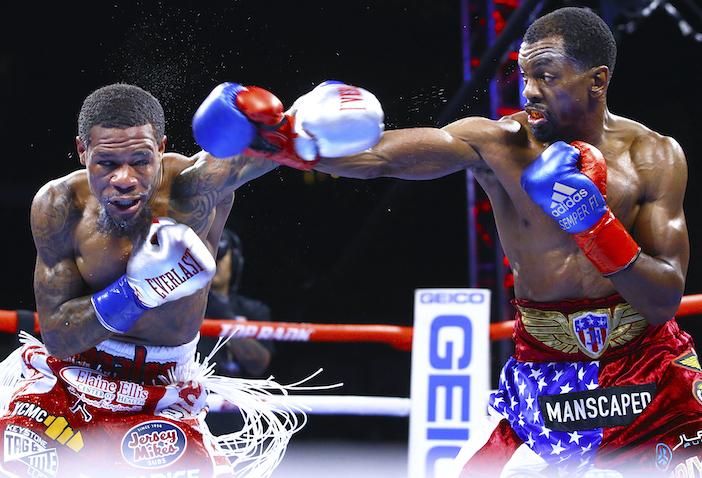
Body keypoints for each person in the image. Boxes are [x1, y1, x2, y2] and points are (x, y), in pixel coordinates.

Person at [309, 7, 696, 477]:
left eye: (547, 76)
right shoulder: (496, 143)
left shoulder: (653, 155)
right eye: (525, 73)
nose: (529, 89)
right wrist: (289, 141)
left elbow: (664, 299)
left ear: (597, 81)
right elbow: (379, 157)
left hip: (647, 379)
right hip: (542, 379)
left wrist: (594, 226)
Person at [0, 81, 383, 478]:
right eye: (107, 163)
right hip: (68, 383)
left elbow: (288, 142)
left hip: (163, 396)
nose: (125, 178)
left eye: (141, 160)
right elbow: (59, 339)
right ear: (82, 151)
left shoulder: (198, 185)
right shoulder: (59, 206)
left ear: (162, 148)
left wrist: (299, 122)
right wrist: (139, 291)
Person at [198, 228, 274, 378]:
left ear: (235, 261)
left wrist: (225, 317)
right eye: (206, 254)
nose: (212, 261)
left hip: (233, 397)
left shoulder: (252, 310)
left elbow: (259, 365)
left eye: (219, 254)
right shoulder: (175, 307)